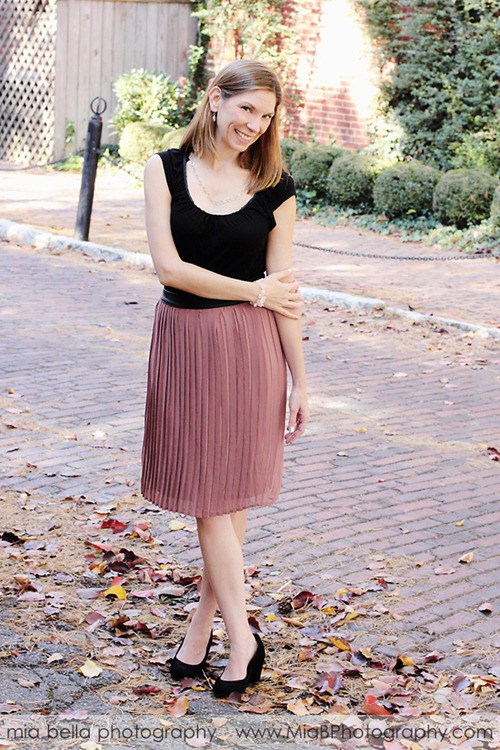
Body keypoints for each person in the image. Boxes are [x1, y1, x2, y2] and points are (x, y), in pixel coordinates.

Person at [141, 59, 309, 698]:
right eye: (246, 109)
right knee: (212, 498)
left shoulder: (275, 187)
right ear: (216, 99)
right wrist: (253, 291)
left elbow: (284, 293)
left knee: (225, 501)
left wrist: (301, 381)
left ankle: (226, 636)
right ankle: (230, 635)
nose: (255, 124)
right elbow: (169, 269)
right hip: (186, 343)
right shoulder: (164, 169)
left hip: (251, 351)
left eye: (266, 115)